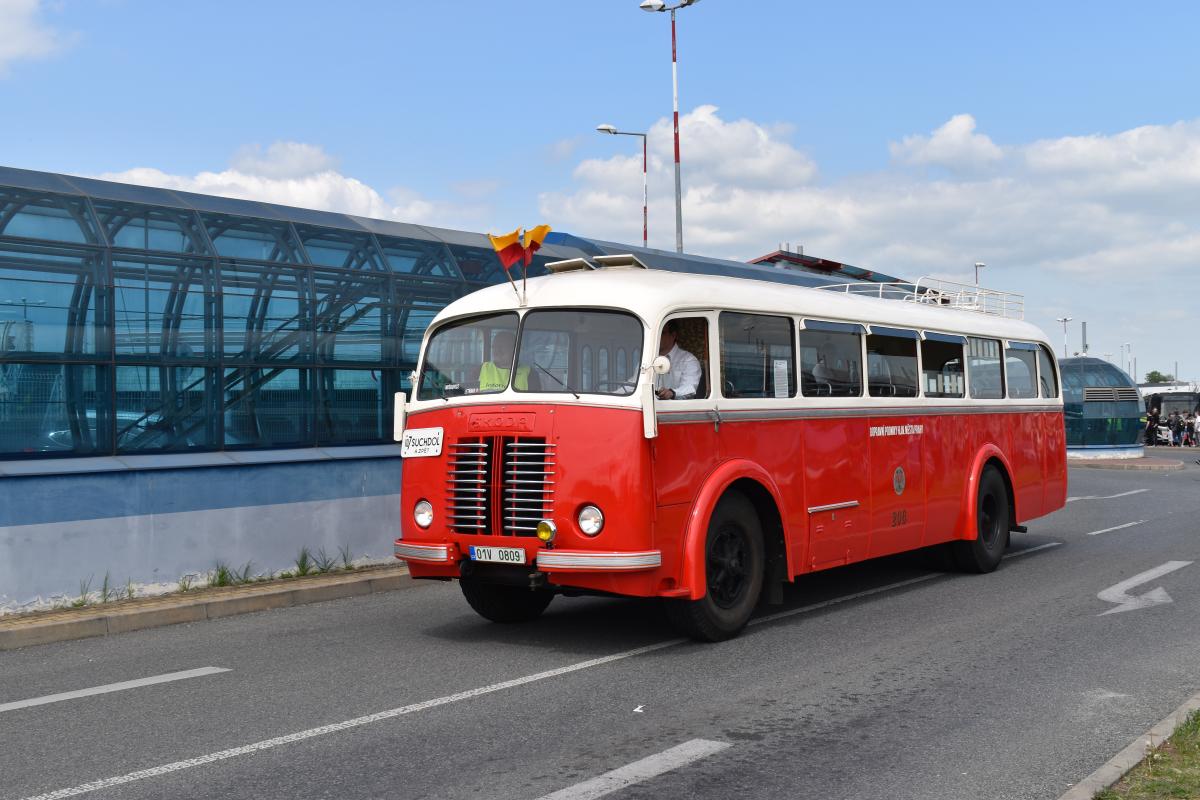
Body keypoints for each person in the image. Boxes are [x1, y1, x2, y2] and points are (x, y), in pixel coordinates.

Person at [654, 320, 701, 400]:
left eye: (662, 333)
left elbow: (689, 388)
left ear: (673, 335)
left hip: (677, 409)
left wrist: (672, 393)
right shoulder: (649, 359)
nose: (657, 336)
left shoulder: (688, 360)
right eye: (655, 333)